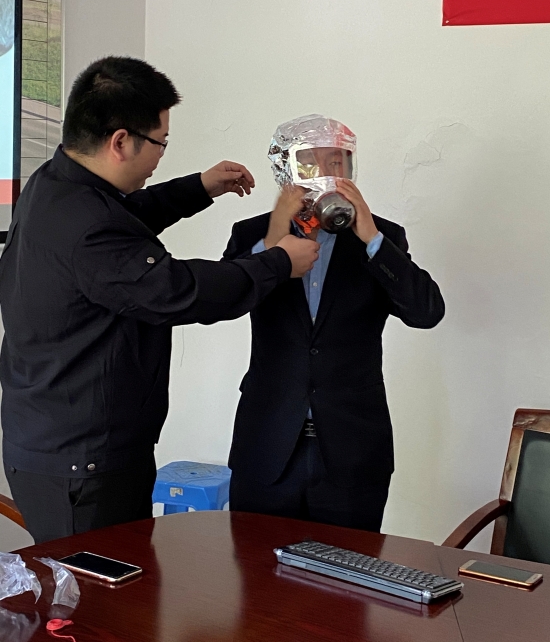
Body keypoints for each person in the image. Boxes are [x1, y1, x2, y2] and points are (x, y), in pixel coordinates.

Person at [0, 58, 319, 543]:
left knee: (118, 580)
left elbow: (126, 217)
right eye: (161, 142)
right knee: (94, 587)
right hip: (83, 467)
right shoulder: (89, 226)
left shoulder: (57, 183)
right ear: (120, 141)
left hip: (60, 442)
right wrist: (277, 262)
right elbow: (179, 291)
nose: (160, 156)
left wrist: (199, 187)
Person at [223, 114, 445, 532]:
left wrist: (372, 239)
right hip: (267, 445)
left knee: (348, 570)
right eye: (310, 162)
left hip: (353, 450)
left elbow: (426, 312)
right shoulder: (252, 234)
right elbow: (225, 301)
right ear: (286, 169)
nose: (325, 173)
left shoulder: (381, 237)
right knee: (257, 568)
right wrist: (273, 239)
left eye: (337, 161)